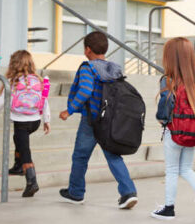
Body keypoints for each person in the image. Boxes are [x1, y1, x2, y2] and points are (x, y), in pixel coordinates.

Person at [58, 31, 138, 209]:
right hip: (110, 120)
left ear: (87, 50)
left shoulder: (88, 68)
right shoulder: (114, 68)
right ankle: (128, 192)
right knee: (113, 155)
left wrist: (69, 110)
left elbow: (86, 90)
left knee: (80, 156)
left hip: (91, 121)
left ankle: (76, 193)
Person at [151, 37, 195, 222]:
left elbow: (165, 105)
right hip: (192, 132)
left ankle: (168, 208)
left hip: (174, 132)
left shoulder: (168, 80)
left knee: (171, 170)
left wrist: (162, 119)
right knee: (186, 168)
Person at [0, 50, 51, 197]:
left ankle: (32, 182)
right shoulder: (38, 80)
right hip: (35, 121)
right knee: (18, 140)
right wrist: (47, 120)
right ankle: (18, 165)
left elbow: (1, 101)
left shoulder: (14, 81)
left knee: (25, 151)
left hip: (21, 122)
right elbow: (45, 101)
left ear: (14, 64)